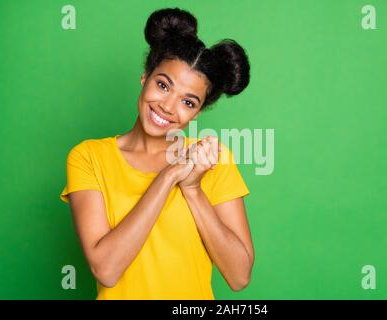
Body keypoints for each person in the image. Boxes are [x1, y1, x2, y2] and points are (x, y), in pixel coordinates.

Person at [59, 7, 254, 300]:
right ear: (144, 77)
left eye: (188, 102)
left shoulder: (212, 162)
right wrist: (169, 177)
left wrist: (192, 189)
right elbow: (107, 270)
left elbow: (239, 276)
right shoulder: (88, 157)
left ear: (197, 111)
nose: (167, 106)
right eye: (163, 85)